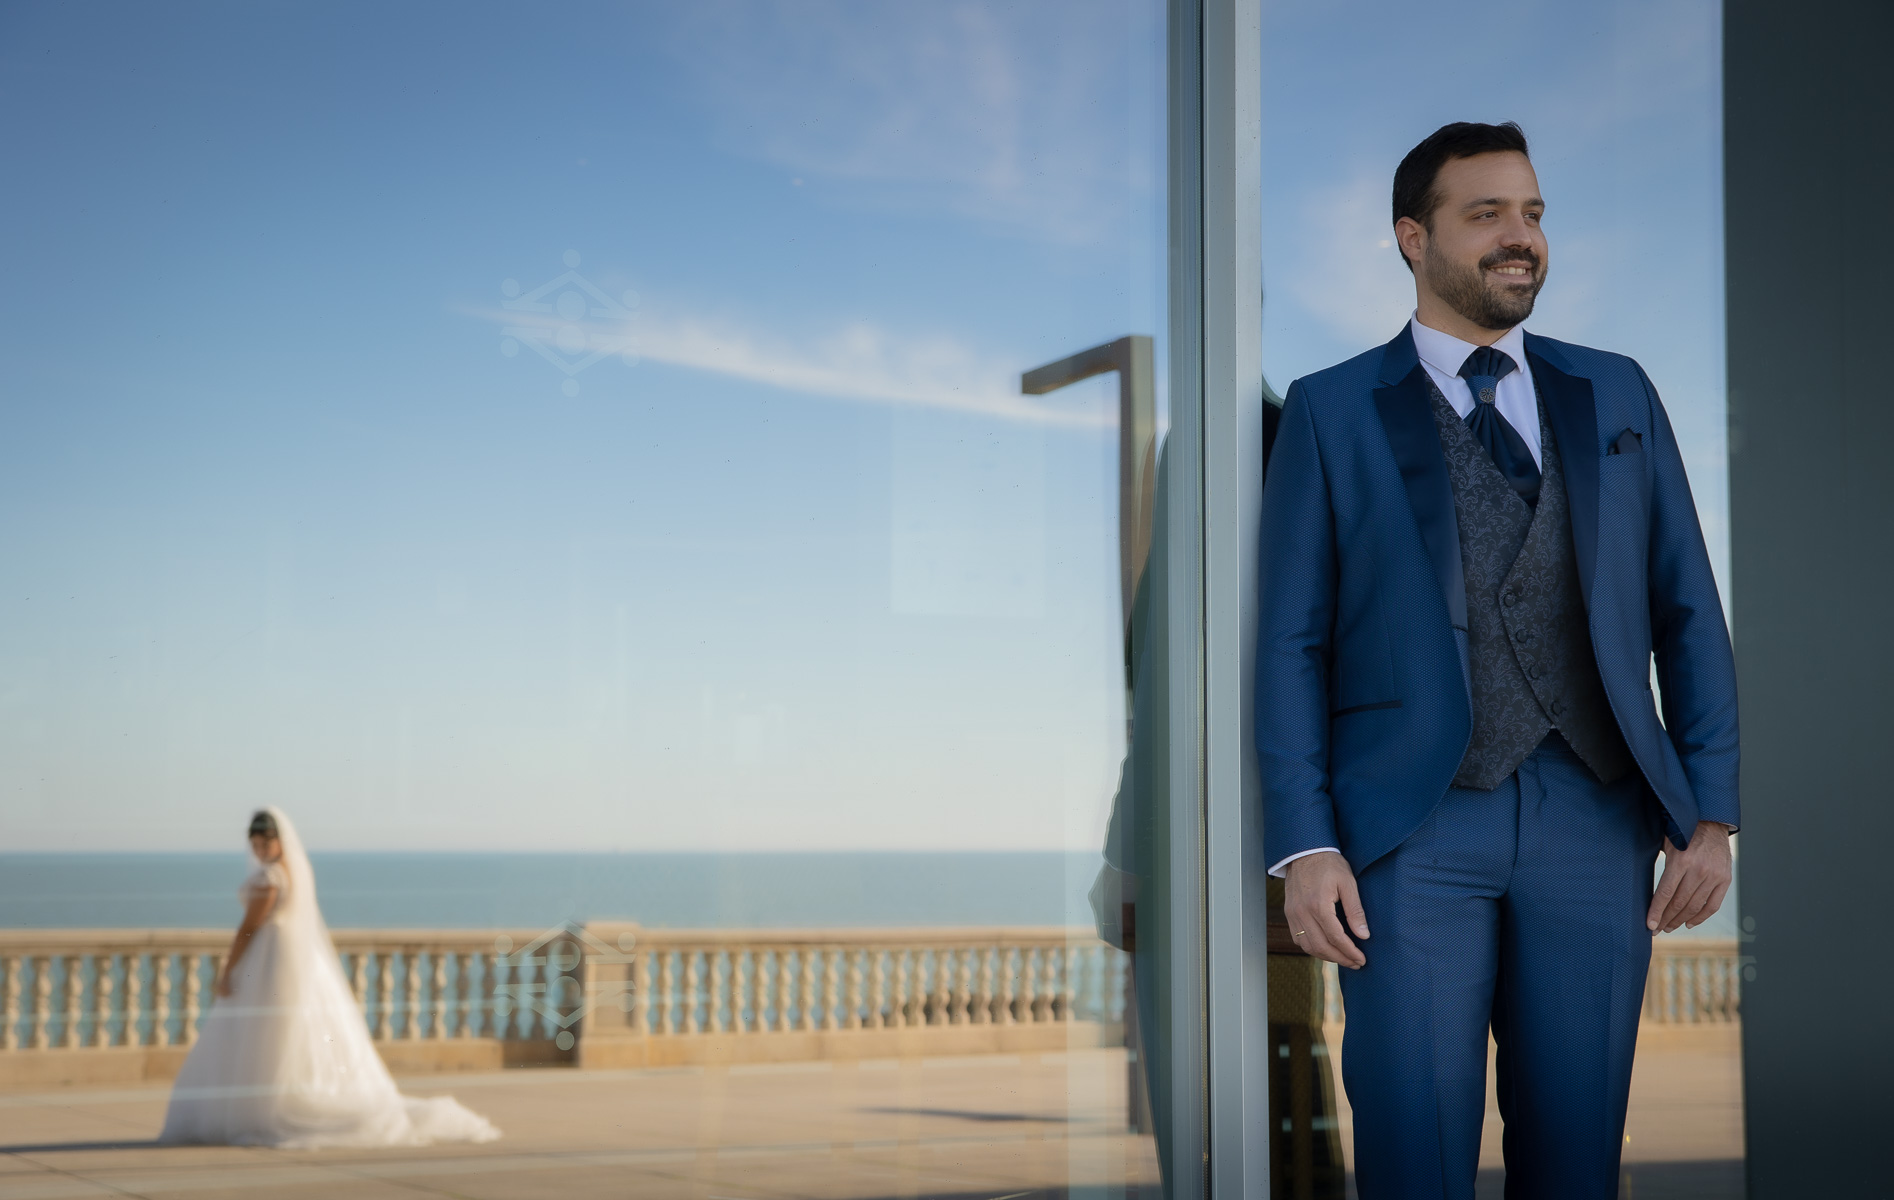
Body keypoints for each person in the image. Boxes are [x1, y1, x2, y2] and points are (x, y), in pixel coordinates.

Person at [1255, 122, 1737, 1200]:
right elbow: (1288, 639)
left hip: (1597, 818)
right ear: (1410, 239)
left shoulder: (1616, 393)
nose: (1519, 238)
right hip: (1408, 831)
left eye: (1532, 213)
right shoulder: (1333, 409)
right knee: (1412, 1154)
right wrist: (1304, 844)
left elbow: (1687, 612)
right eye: (1486, 216)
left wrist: (1710, 811)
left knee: (1575, 1158)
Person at [160, 807, 500, 1148]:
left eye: (266, 842)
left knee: (266, 1035)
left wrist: (229, 969)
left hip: (269, 960)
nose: (260, 849)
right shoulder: (291, 871)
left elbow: (249, 928)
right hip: (290, 958)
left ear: (280, 841)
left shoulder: (270, 879)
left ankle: (266, 1107)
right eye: (255, 844)